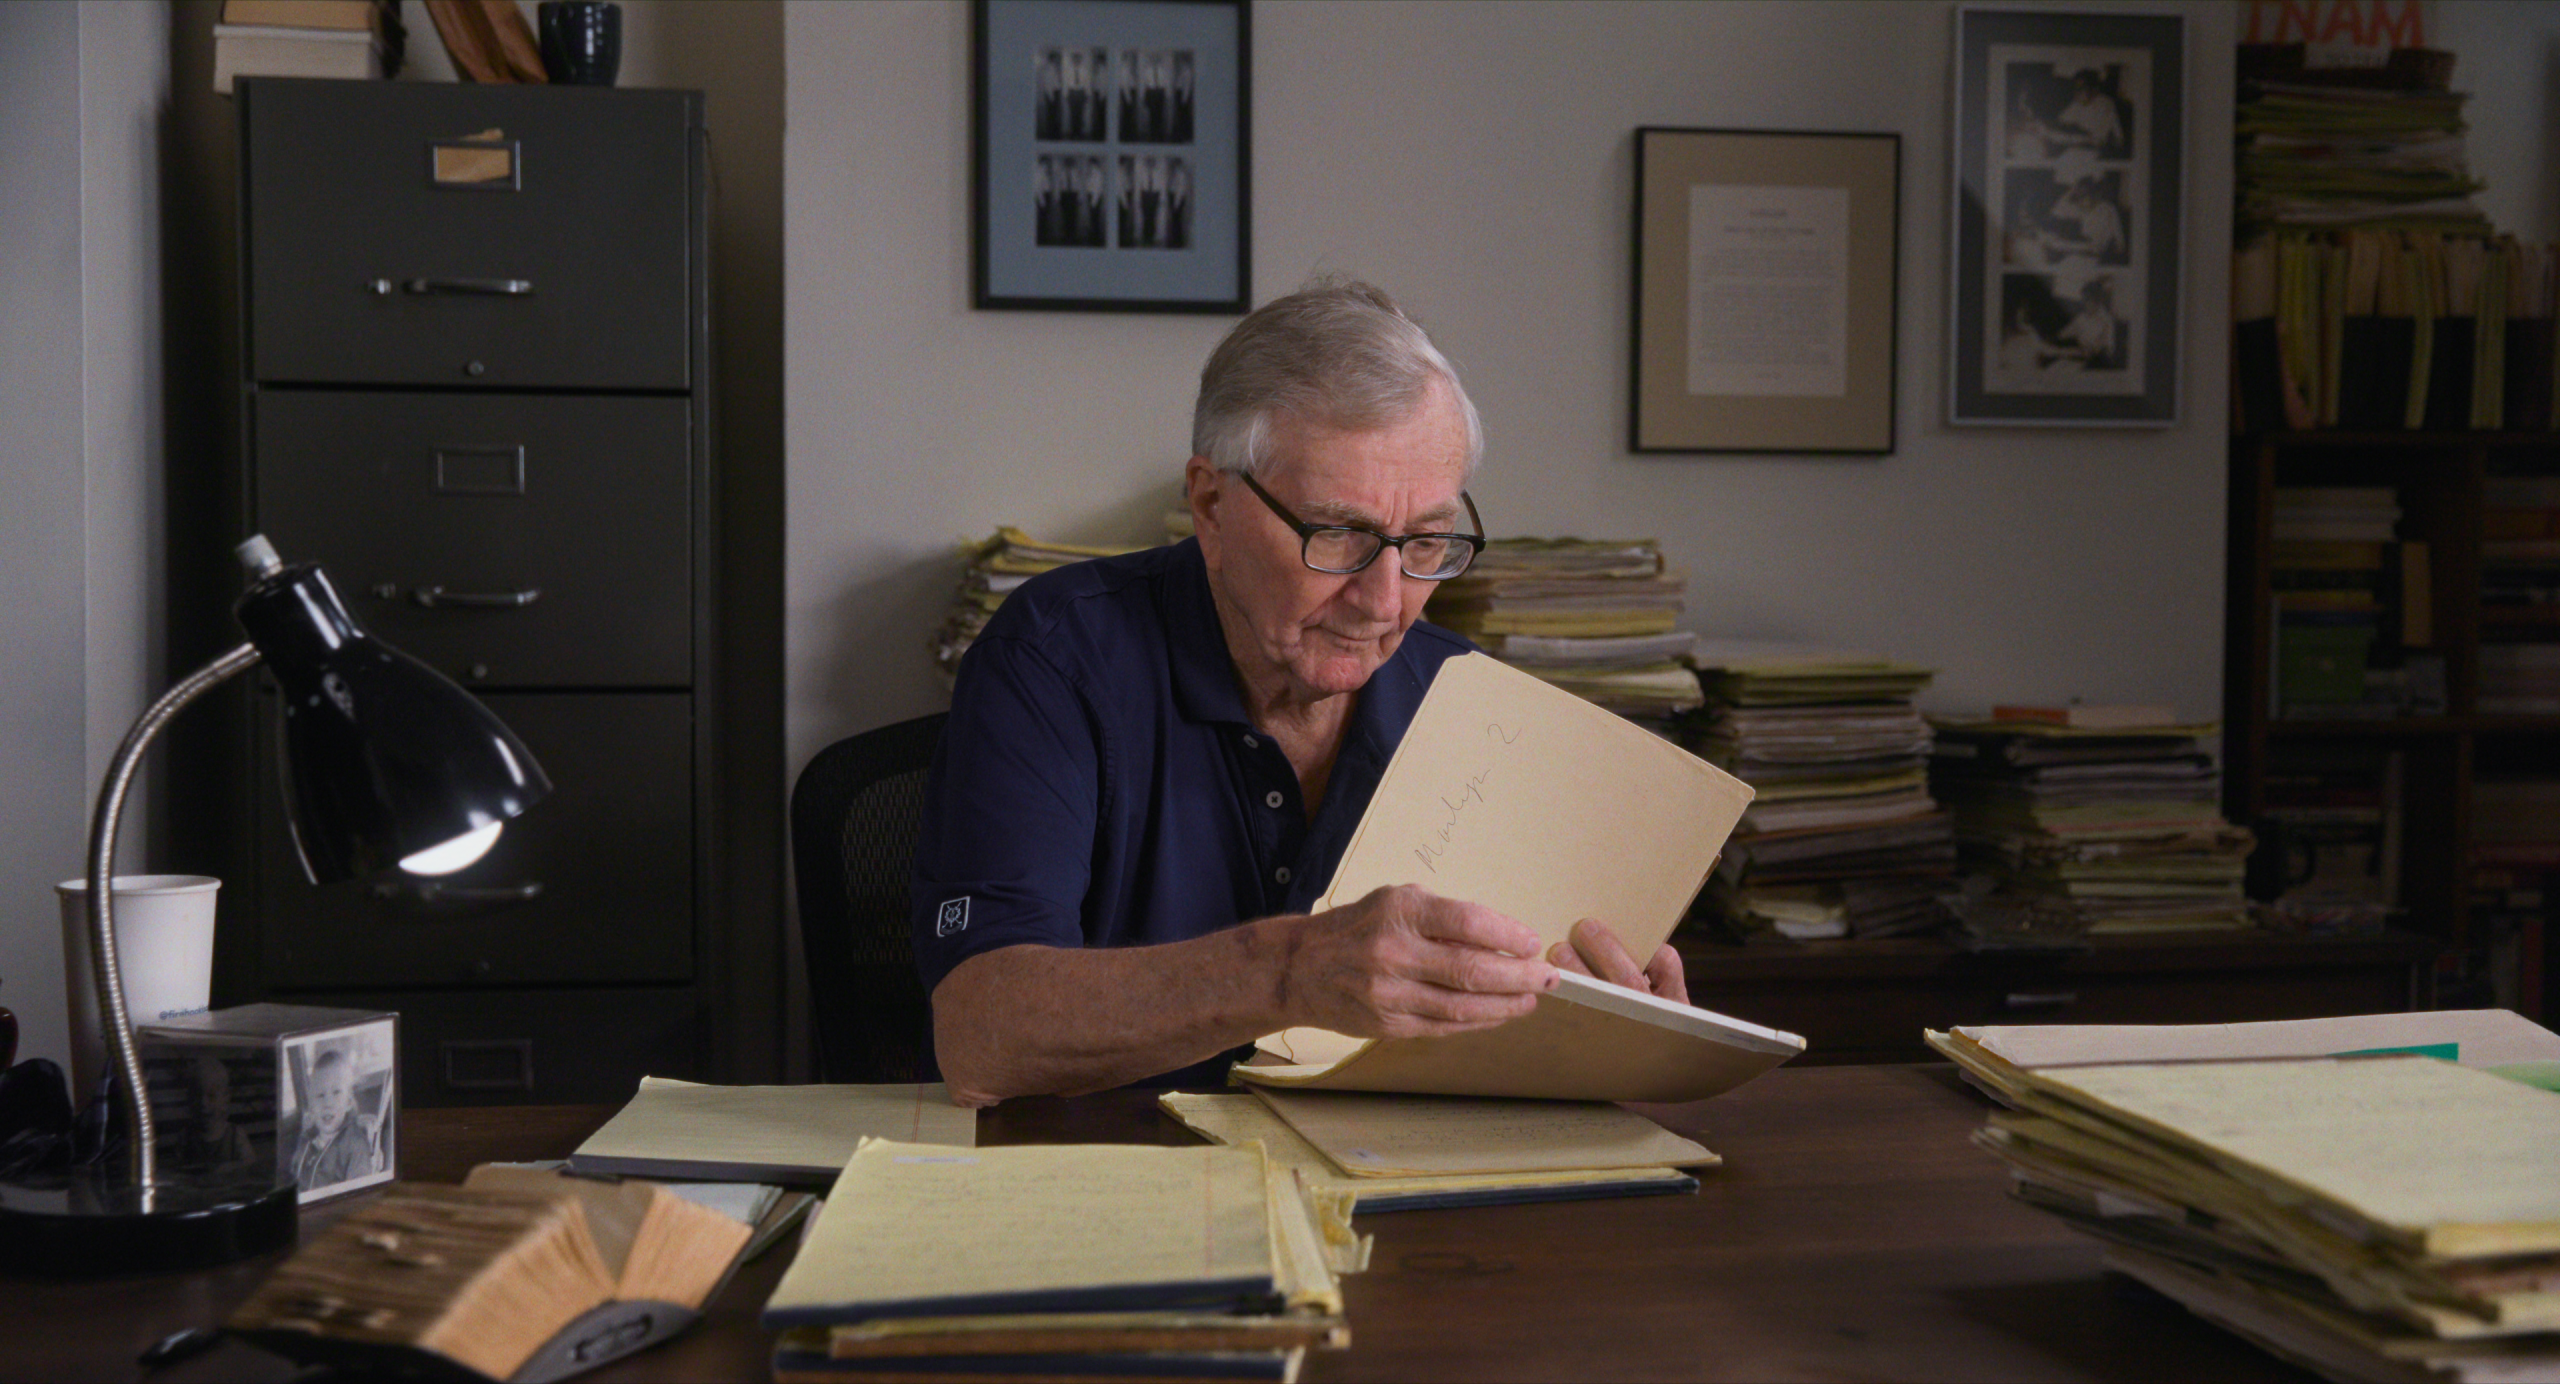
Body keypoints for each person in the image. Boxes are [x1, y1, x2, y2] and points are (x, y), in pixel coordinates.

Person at [911, 279, 1687, 1108]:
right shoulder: (1054, 657)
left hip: (1378, 1185)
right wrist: (1289, 972)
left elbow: (1496, 1049)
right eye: (1340, 534)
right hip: (1105, 1185)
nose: (1385, 602)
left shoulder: (1466, 703)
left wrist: (1603, 1039)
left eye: (1426, 541)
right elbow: (981, 1036)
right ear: (1211, 505)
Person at [291, 1046, 380, 1188]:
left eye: (336, 1092)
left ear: (349, 1102)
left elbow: (357, 1192)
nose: (327, 1103)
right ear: (312, 1106)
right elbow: (294, 1174)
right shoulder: (308, 1141)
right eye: (320, 1095)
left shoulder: (355, 1145)